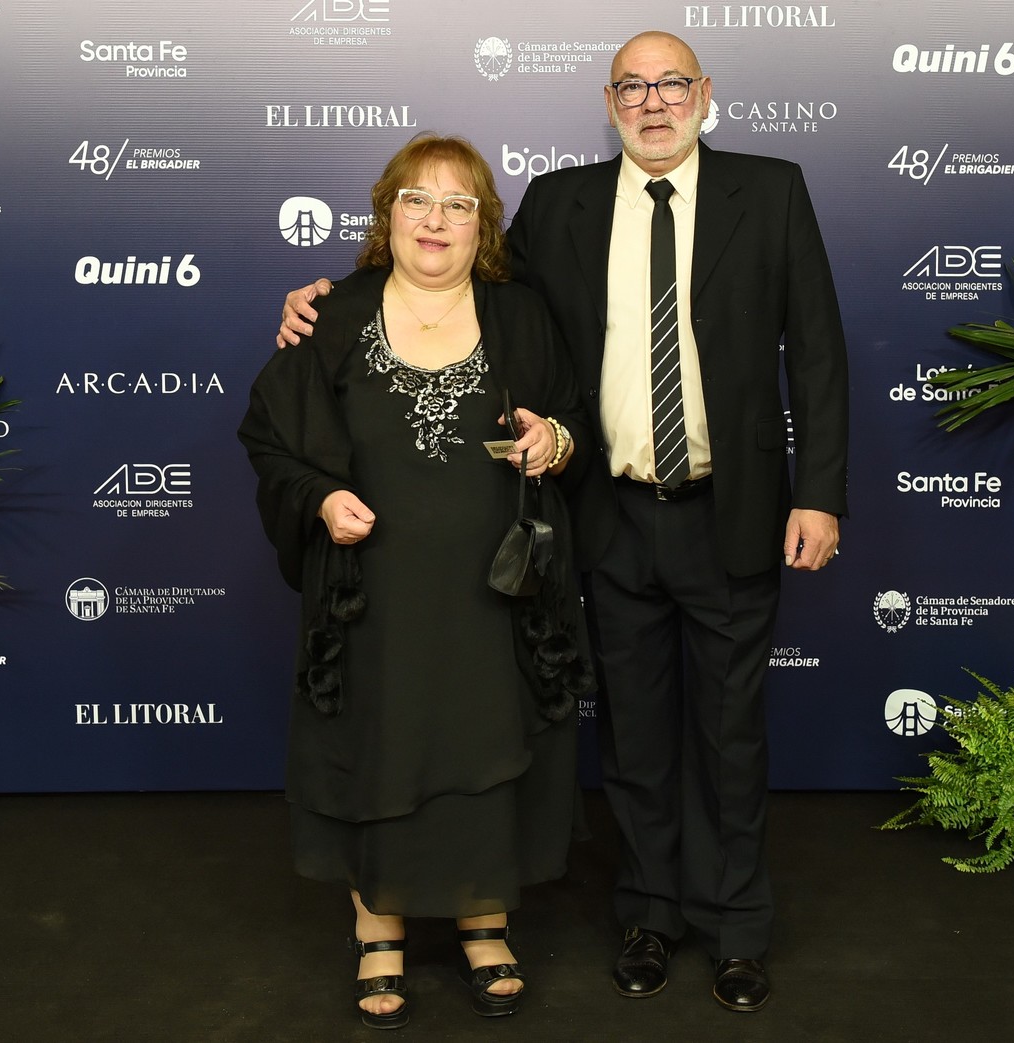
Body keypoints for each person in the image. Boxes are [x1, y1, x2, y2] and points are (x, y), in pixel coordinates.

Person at [277, 31, 849, 1013]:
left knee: (730, 735)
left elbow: (821, 353)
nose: (653, 101)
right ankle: (647, 915)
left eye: (671, 84)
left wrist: (820, 492)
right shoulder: (561, 204)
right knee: (628, 738)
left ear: (704, 95)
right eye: (632, 87)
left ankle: (736, 927)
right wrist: (322, 298)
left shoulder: (773, 189)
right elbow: (453, 276)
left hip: (732, 510)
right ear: (608, 100)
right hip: (609, 516)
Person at [239, 133, 595, 1031]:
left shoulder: (522, 316)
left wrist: (555, 439)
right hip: (373, 593)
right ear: (385, 213)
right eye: (416, 200)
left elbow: (573, 420)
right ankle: (377, 922)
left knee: (486, 736)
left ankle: (484, 918)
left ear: (485, 227)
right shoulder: (331, 314)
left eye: (458, 204)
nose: (435, 219)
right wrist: (320, 500)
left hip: (496, 593)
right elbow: (270, 437)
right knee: (381, 736)